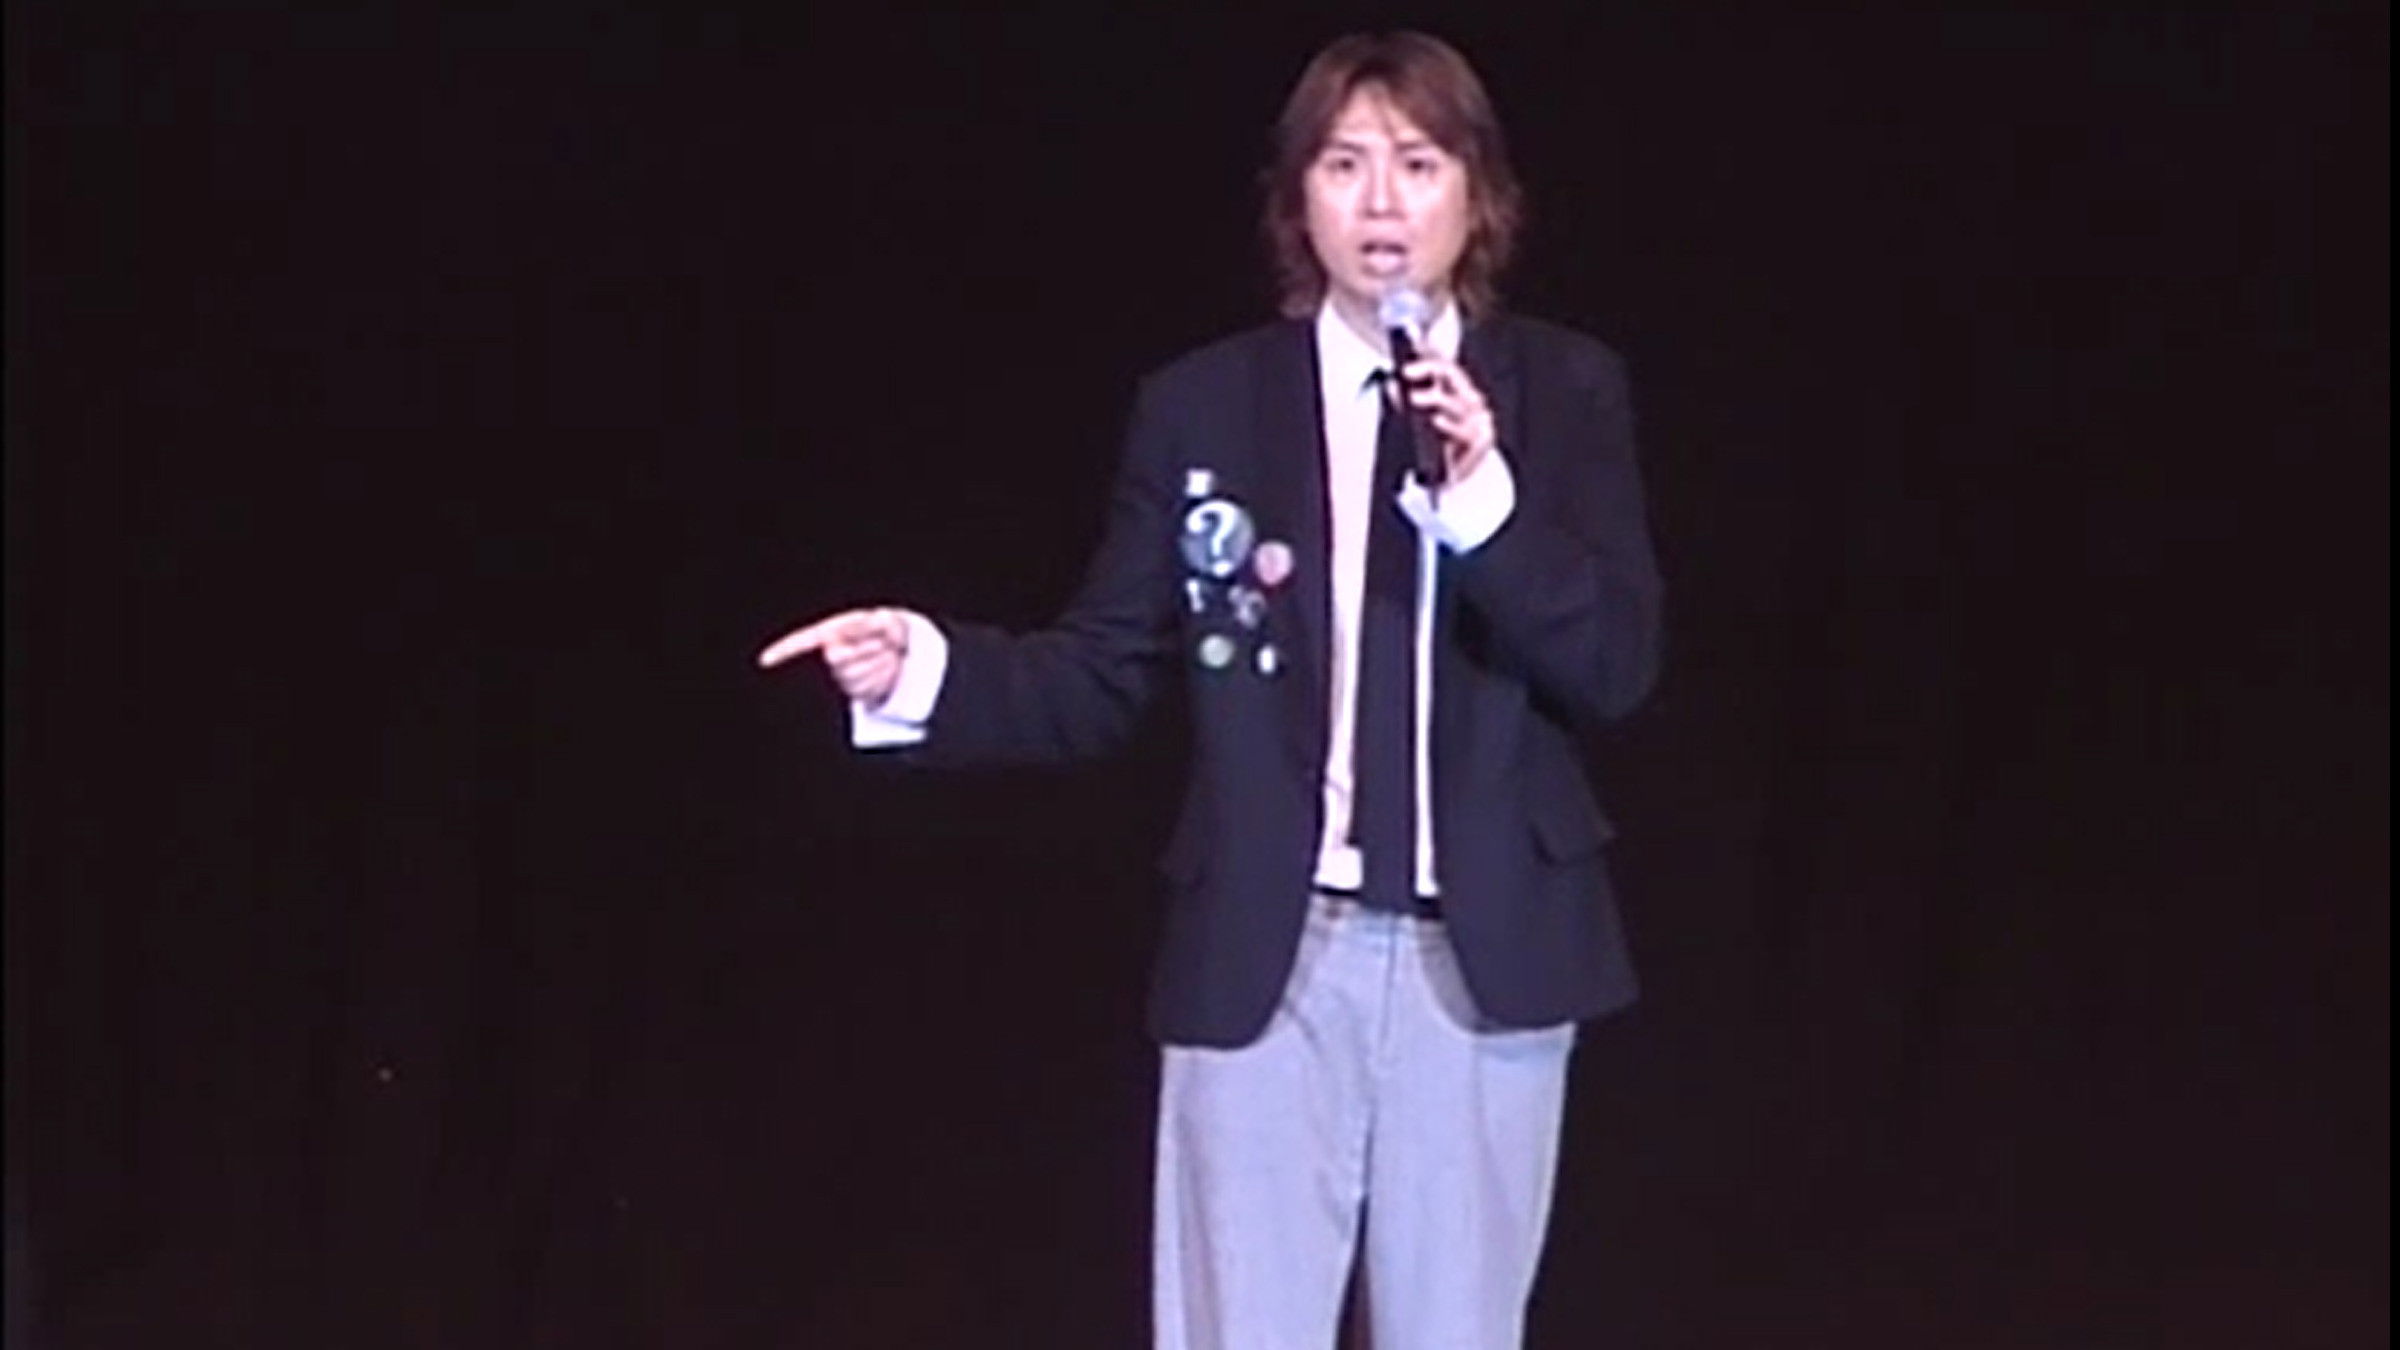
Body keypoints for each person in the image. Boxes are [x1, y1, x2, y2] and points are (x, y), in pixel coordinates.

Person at [759, 30, 1661, 1350]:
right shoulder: (1208, 407)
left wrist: (1483, 504)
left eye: (1418, 164)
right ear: (1298, 199)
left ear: (1480, 195)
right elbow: (1102, 671)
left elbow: (1617, 664)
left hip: (1488, 960)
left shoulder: (1565, 392)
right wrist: (928, 669)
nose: (1382, 201)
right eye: (1344, 165)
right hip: (1271, 951)